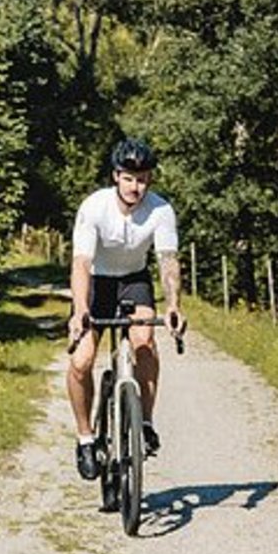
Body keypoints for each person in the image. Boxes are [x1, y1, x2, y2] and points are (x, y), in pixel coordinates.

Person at [64, 137, 182, 480]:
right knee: (81, 360)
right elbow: (81, 264)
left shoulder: (160, 210)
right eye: (129, 178)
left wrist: (173, 304)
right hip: (97, 283)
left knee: (145, 342)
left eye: (142, 178)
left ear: (150, 179)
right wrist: (80, 309)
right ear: (116, 176)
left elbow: (168, 261)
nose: (135, 186)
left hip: (134, 280)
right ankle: (86, 438)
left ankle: (144, 422)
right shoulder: (94, 207)